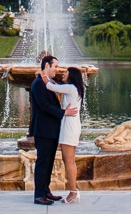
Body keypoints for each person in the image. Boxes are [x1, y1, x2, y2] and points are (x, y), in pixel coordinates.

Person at [26, 52, 66, 205]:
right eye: (55, 66)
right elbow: (44, 106)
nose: (57, 69)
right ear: (47, 65)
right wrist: (64, 113)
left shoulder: (49, 82)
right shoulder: (38, 83)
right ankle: (38, 195)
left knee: (49, 162)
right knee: (43, 162)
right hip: (43, 130)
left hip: (51, 129)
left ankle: (46, 190)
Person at [51, 66, 85, 203]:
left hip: (70, 127)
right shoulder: (72, 88)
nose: (63, 74)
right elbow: (55, 85)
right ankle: (73, 190)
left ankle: (73, 192)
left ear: (71, 75)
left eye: (65, 72)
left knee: (69, 160)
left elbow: (50, 86)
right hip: (69, 125)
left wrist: (42, 74)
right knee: (67, 160)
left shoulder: (71, 88)